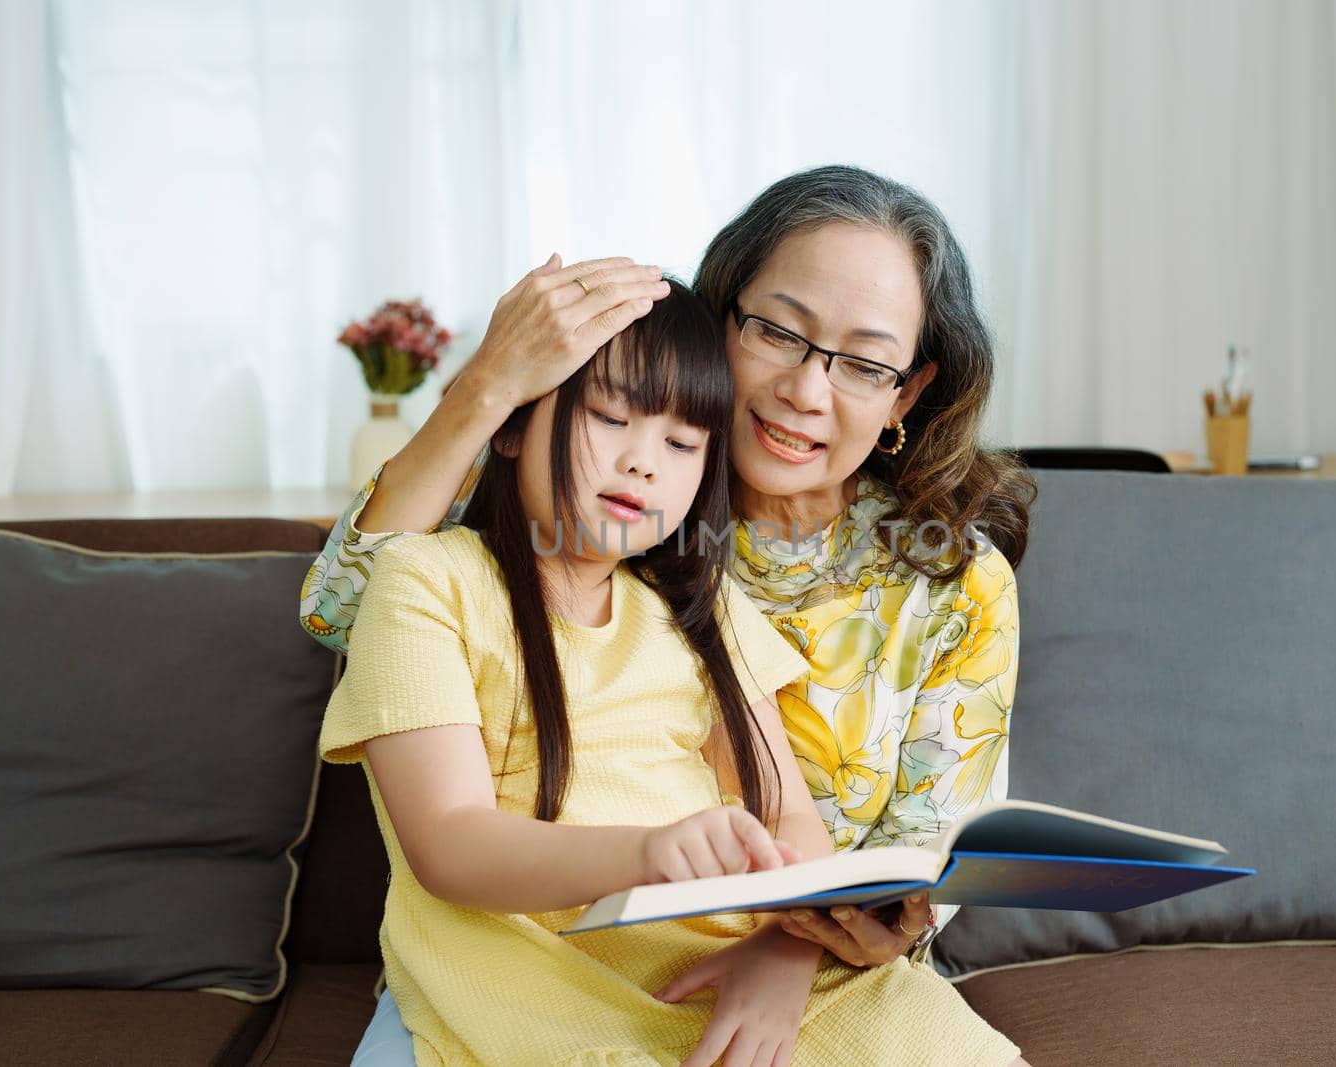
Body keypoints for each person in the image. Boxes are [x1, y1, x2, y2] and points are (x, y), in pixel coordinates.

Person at [302, 165, 1037, 1065]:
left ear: (905, 392)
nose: (808, 389)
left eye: (863, 361)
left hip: (795, 956)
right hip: (527, 953)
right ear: (719, 320)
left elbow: (900, 861)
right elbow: (346, 603)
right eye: (779, 332)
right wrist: (490, 382)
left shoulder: (948, 583)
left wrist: (791, 943)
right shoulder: (586, 528)